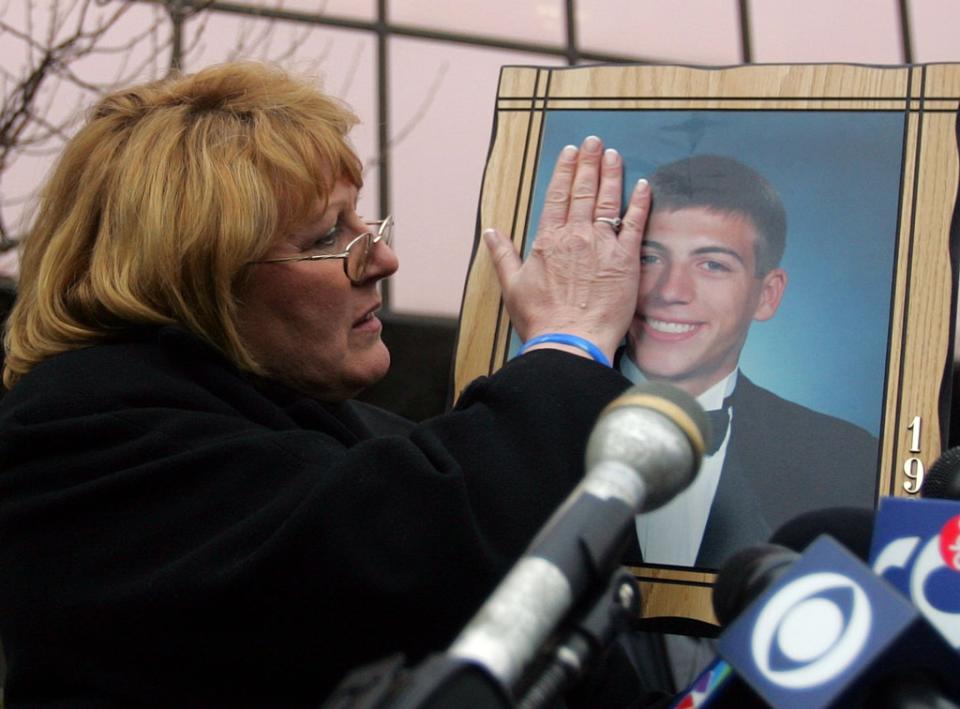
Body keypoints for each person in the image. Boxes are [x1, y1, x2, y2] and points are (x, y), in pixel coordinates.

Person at [0, 63, 656, 706]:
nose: (383, 258)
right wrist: (568, 342)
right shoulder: (75, 447)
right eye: (327, 234)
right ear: (193, 281)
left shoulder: (330, 430)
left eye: (362, 220)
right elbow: (416, 563)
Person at [618, 154, 878, 569]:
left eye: (712, 264)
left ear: (767, 295)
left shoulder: (848, 458)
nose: (671, 290)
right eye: (650, 258)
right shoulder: (536, 425)